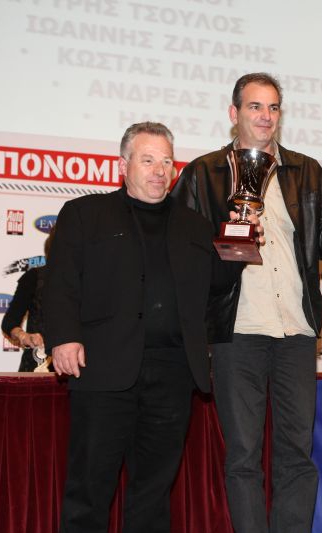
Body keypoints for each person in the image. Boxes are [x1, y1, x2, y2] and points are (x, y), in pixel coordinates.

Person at [171, 72, 322, 532]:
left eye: (273, 107)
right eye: (255, 106)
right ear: (234, 113)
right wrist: (225, 236)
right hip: (237, 330)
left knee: (296, 453)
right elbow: (181, 249)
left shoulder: (305, 170)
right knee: (243, 455)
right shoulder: (204, 173)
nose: (266, 116)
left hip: (296, 330)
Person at [44, 122, 242, 532]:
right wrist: (64, 337)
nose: (159, 170)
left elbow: (218, 283)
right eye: (148, 160)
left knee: (153, 495)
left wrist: (242, 234)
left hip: (172, 374)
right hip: (103, 369)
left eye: (166, 162)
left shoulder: (195, 225)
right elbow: (60, 283)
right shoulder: (85, 214)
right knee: (89, 490)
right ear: (123, 165)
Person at [2, 230, 54, 371]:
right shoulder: (34, 277)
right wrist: (24, 336)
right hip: (38, 364)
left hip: (81, 366)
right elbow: (9, 322)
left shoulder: (87, 280)